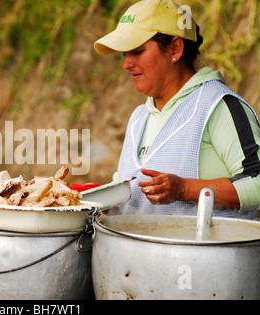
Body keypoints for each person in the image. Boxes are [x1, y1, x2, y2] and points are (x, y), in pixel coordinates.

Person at [93, 0, 260, 219]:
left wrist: (184, 189)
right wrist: (89, 197)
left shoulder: (218, 106)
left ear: (175, 48)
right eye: (124, 54)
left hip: (209, 253)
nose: (126, 64)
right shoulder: (139, 118)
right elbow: (125, 202)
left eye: (136, 51)